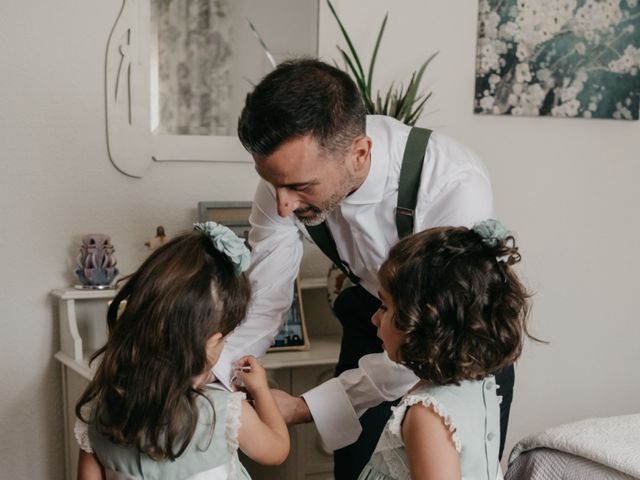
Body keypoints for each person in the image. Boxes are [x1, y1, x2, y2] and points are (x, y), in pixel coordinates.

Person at [216, 57, 513, 479]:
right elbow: (265, 299)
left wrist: (305, 406)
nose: (282, 205)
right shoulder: (286, 183)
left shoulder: (451, 183)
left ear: (359, 153)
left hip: (456, 340)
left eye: (300, 187)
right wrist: (214, 379)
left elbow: (437, 328)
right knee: (358, 469)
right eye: (272, 184)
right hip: (376, 319)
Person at [74, 223, 290, 480]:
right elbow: (276, 451)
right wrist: (260, 389)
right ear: (212, 343)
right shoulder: (224, 412)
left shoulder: (99, 411)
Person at [359, 221, 531, 480]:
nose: (374, 318)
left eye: (384, 307)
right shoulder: (479, 385)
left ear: (423, 320)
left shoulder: (428, 414)